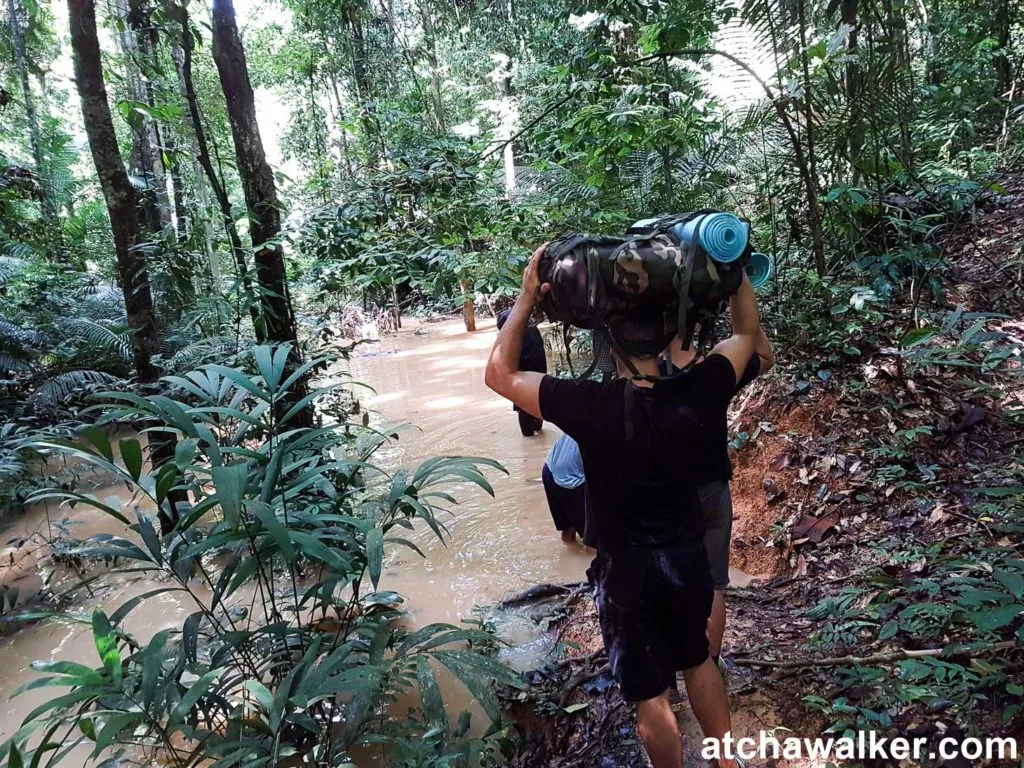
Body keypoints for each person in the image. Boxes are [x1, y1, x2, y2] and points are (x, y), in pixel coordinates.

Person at [485, 244, 761, 768]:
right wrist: (736, 277)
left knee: (650, 693)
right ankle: (728, 761)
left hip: (625, 576)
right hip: (686, 563)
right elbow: (747, 337)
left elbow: (498, 374)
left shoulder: (591, 405)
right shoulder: (700, 391)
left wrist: (525, 299)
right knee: (699, 659)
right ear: (667, 336)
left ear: (608, 339)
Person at [661, 330, 774, 668]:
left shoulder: (643, 379)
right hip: (711, 491)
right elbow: (766, 357)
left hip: (666, 496)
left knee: (666, 582)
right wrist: (744, 316)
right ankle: (710, 662)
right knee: (714, 584)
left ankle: (669, 676)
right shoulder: (714, 373)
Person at [496, 309, 546, 436]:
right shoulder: (532, 329)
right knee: (538, 409)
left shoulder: (515, 336)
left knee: (527, 431)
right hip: (540, 379)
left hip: (523, 378)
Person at [542, 433, 589, 544]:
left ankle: (569, 557)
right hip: (570, 479)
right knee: (594, 540)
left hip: (549, 469)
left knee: (568, 529)